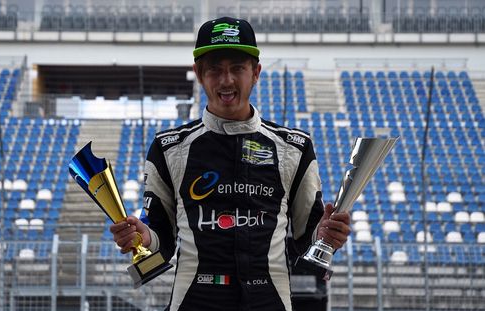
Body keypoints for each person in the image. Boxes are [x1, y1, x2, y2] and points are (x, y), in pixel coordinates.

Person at [110, 16, 351, 311]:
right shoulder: (169, 147)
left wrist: (325, 235)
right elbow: (160, 236)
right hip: (195, 301)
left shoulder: (294, 148)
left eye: (237, 68)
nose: (226, 80)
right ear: (199, 74)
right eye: (215, 69)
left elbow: (306, 238)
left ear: (256, 72)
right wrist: (144, 237)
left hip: (269, 301)